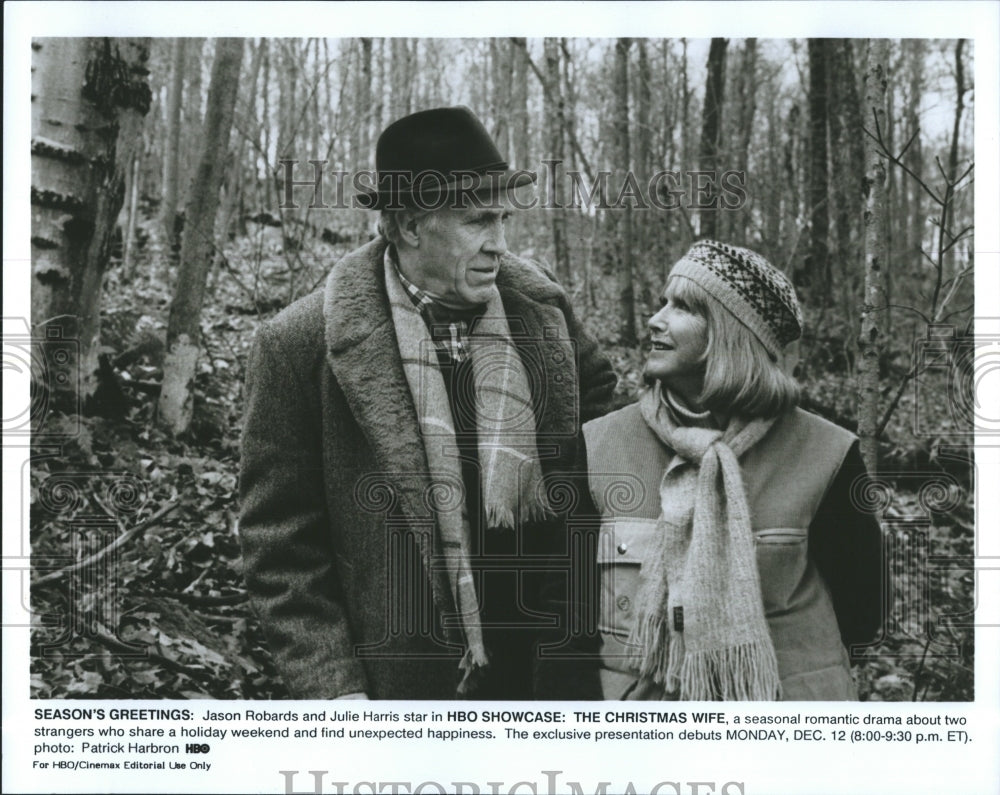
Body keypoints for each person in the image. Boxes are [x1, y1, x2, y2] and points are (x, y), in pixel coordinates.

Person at [239, 106, 616, 700]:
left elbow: (605, 443)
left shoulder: (541, 309)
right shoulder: (299, 346)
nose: (499, 243)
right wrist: (335, 691)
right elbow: (280, 546)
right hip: (403, 682)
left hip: (548, 667)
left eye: (502, 219)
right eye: (477, 221)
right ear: (411, 225)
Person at [584, 239, 885, 701]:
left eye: (682, 306)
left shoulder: (828, 452)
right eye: (663, 301)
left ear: (731, 335)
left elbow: (862, 610)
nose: (654, 319)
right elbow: (566, 614)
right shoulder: (597, 445)